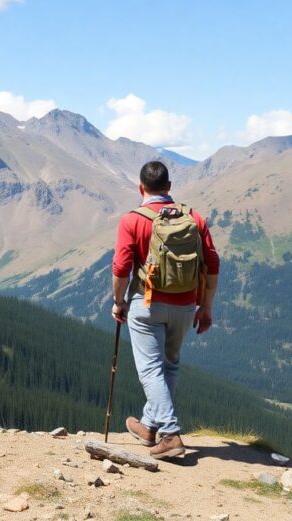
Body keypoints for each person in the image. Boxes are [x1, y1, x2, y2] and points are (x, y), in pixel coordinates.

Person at [111, 161, 219, 459]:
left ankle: (170, 434)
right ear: (169, 187)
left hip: (146, 305)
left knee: (150, 370)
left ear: (140, 187)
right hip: (185, 306)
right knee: (169, 366)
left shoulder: (132, 221)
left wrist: (119, 302)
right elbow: (212, 265)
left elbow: (121, 268)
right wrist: (205, 308)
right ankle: (148, 426)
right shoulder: (194, 218)